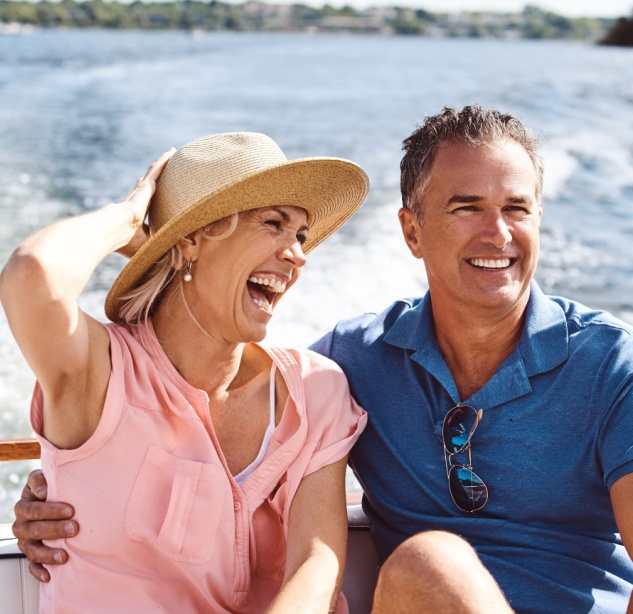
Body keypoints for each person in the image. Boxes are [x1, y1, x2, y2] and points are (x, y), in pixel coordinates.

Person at [13, 107, 633, 613]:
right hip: (426, 597)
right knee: (430, 563)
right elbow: (50, 300)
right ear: (411, 230)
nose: (498, 233)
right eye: (466, 207)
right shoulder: (353, 363)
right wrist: (67, 481)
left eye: (517, 209)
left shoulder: (616, 362)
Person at [0, 132, 369, 613]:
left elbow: (315, 565)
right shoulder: (101, 373)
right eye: (273, 224)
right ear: (191, 241)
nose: (298, 254)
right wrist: (129, 219)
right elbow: (32, 274)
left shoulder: (316, 390)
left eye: (300, 235)